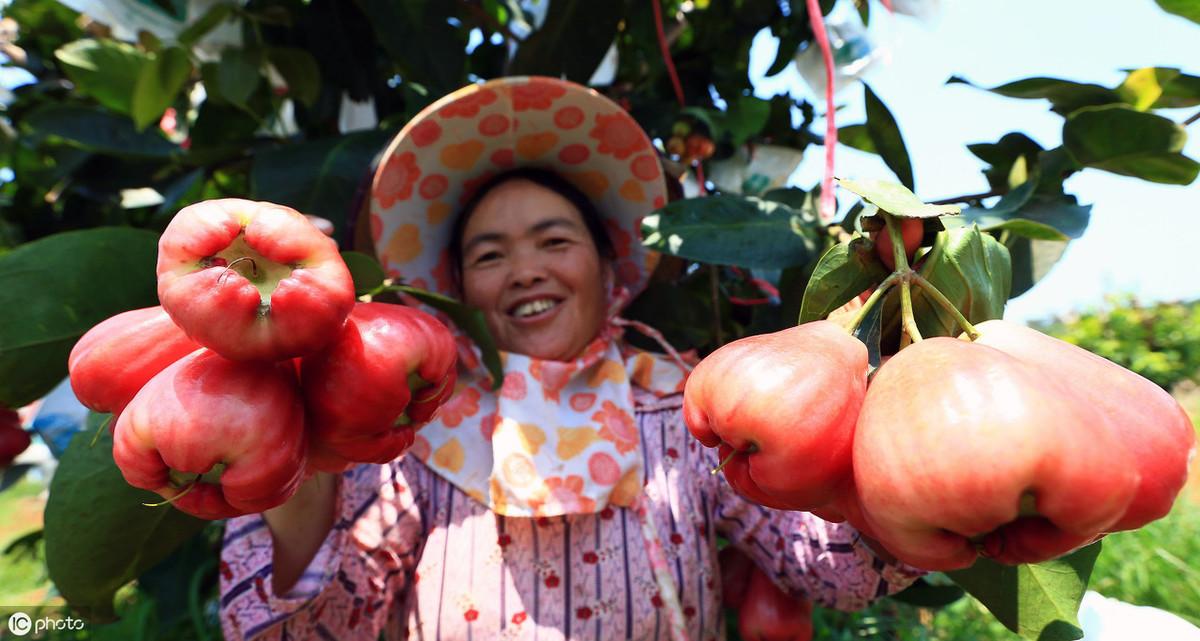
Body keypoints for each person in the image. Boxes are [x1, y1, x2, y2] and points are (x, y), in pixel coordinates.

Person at [218, 76, 923, 641]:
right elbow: (321, 629)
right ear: (458, 291)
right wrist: (298, 438)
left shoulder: (683, 407)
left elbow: (836, 570)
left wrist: (907, 364)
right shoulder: (411, 433)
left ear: (609, 267)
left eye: (554, 241)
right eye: (489, 255)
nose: (525, 270)